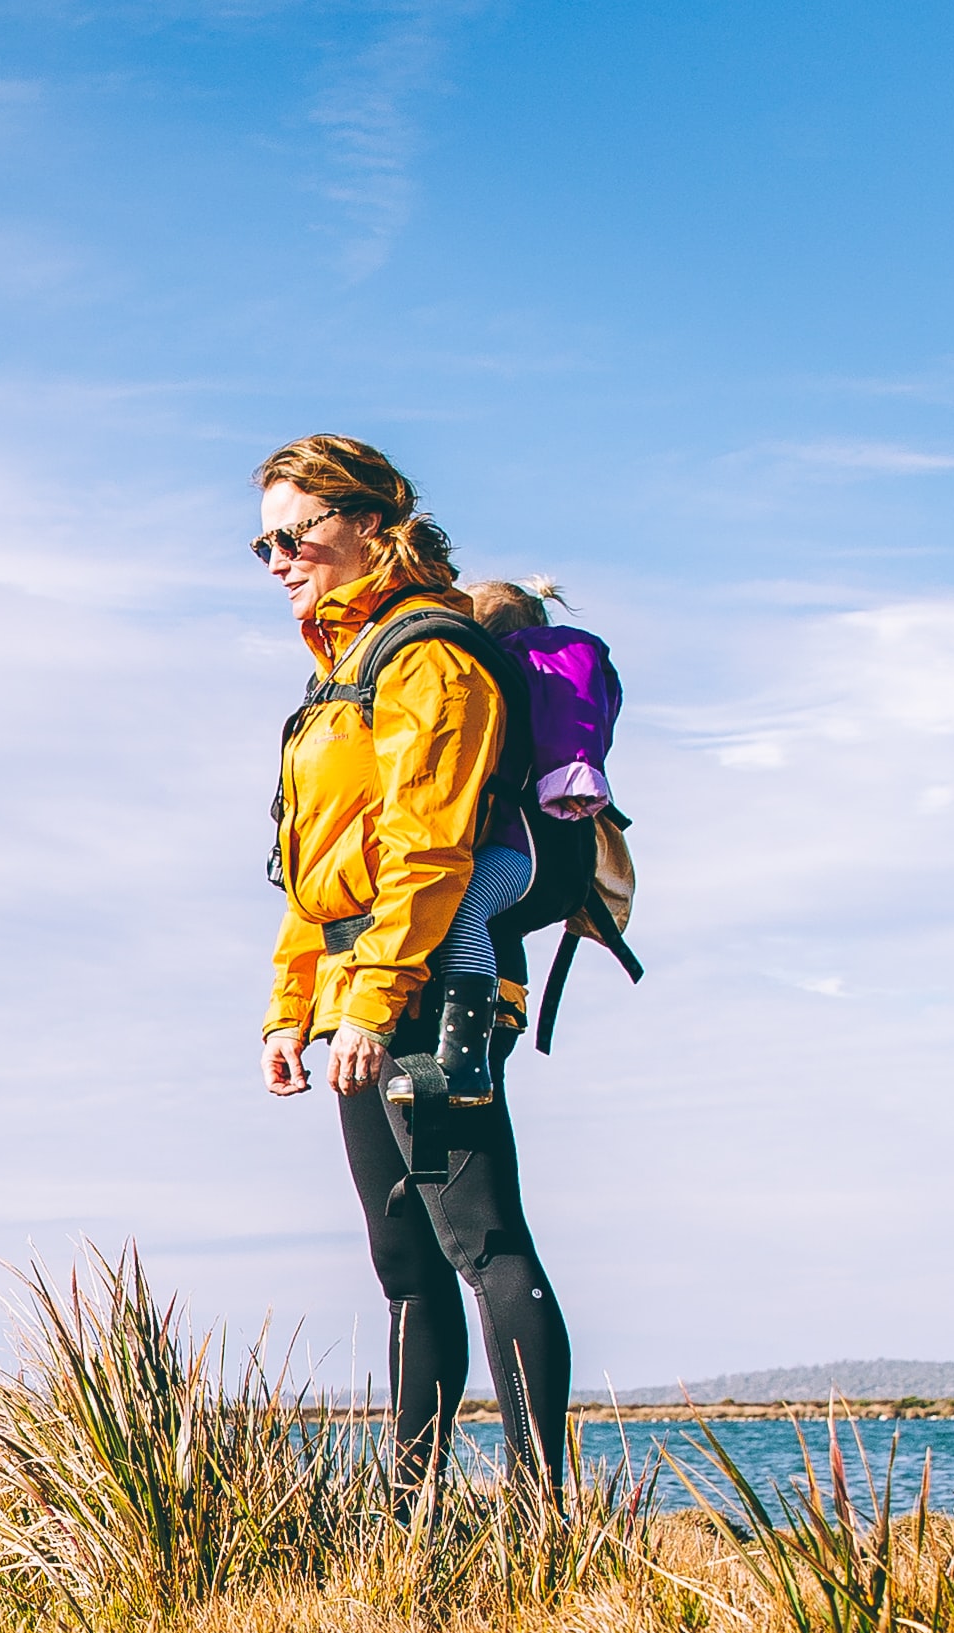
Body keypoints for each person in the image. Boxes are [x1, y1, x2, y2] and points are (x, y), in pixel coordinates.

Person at [252, 438, 578, 1501]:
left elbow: (427, 849)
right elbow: (315, 870)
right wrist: (289, 1011)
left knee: (483, 1244)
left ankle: (541, 1518)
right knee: (404, 1269)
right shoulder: (336, 670)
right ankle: (409, 1512)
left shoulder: (426, 657)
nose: (275, 558)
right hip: (358, 993)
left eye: (292, 532)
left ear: (365, 520)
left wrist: (379, 1002)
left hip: (435, 982)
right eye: (261, 542)